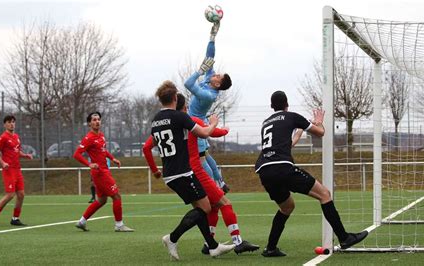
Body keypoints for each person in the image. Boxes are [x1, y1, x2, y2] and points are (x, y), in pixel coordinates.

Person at [143, 93, 259, 255]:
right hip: (195, 171)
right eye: (187, 106)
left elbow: (147, 147)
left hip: (177, 172)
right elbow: (211, 132)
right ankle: (237, 242)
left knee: (206, 209)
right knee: (224, 203)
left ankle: (210, 244)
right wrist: (221, 127)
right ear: (183, 107)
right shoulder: (187, 120)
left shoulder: (166, 123)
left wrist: (155, 170)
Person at [255, 91, 368, 257]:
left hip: (264, 170)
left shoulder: (266, 123)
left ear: (272, 106)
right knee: (324, 194)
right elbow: (320, 132)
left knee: (287, 207)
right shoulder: (292, 116)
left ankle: (270, 248)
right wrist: (319, 122)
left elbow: (286, 145)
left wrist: (299, 132)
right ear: (287, 104)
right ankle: (344, 238)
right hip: (283, 168)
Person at [149, 81, 234, 260]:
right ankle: (172, 238)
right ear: (174, 98)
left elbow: (154, 144)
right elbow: (204, 133)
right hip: (183, 172)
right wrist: (213, 123)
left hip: (169, 173)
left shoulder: (156, 119)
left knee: (199, 208)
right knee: (205, 207)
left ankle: (212, 246)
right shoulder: (179, 117)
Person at [184, 21, 231, 193]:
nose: (216, 73)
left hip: (196, 127)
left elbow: (188, 83)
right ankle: (220, 183)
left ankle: (214, 189)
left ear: (218, 83)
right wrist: (212, 37)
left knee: (201, 160)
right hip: (199, 124)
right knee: (206, 156)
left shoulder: (208, 95)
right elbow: (210, 57)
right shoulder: (210, 80)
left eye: (219, 75)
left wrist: (198, 71)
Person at [73, 111, 134, 232]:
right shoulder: (89, 138)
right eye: (94, 120)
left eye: (98, 119)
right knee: (116, 196)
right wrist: (89, 164)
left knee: (101, 200)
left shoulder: (101, 136)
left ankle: (82, 221)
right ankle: (119, 225)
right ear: (89, 123)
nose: (97, 122)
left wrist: (113, 158)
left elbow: (103, 151)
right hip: (100, 173)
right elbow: (76, 154)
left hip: (103, 171)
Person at [0, 115, 33, 227]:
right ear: (5, 124)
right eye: (9, 122)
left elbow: (17, 151)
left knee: (21, 194)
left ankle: (15, 218)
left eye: (13, 122)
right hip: (8, 170)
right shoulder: (3, 137)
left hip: (17, 169)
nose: (12, 124)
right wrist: (3, 163)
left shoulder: (16, 137)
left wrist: (25, 155)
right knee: (10, 195)